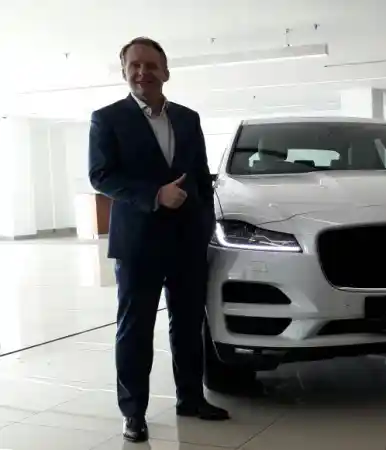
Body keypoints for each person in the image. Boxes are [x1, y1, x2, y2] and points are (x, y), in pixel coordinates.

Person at [88, 37, 229, 443]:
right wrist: (155, 195)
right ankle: (134, 412)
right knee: (135, 329)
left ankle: (191, 398)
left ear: (165, 72)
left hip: (187, 240)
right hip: (137, 244)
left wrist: (206, 223)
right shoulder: (107, 119)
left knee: (188, 324)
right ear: (124, 72)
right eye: (134, 65)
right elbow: (101, 175)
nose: (142, 72)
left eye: (151, 65)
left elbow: (200, 175)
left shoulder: (187, 118)